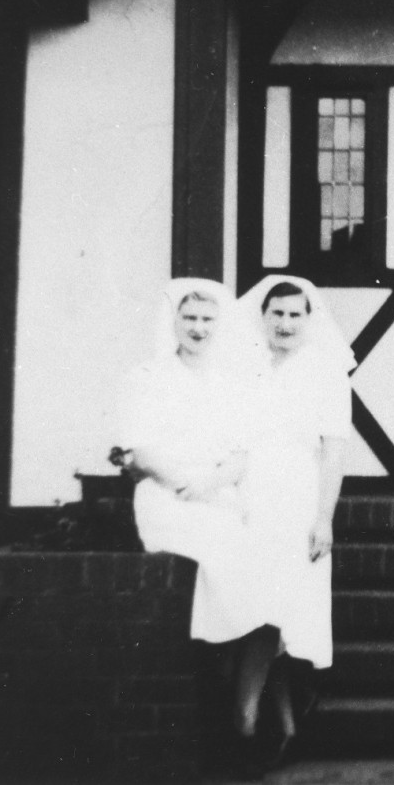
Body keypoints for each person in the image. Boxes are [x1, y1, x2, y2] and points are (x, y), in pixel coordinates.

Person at [227, 274, 354, 767]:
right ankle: (281, 725)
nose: (284, 323)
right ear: (262, 317)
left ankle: (245, 720)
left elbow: (335, 451)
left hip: (297, 499)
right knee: (251, 608)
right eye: (275, 313)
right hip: (246, 498)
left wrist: (324, 518)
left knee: (275, 611)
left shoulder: (325, 373)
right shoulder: (246, 367)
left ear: (309, 319)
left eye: (294, 314)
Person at [115, 278, 263, 659]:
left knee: (260, 554)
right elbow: (142, 453)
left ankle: (242, 663)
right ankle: (230, 656)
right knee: (228, 547)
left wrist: (209, 484)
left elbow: (239, 456)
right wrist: (187, 485)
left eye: (208, 319)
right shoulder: (146, 377)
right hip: (165, 496)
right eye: (190, 318)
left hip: (215, 491)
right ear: (174, 322)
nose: (198, 328)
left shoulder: (231, 384)